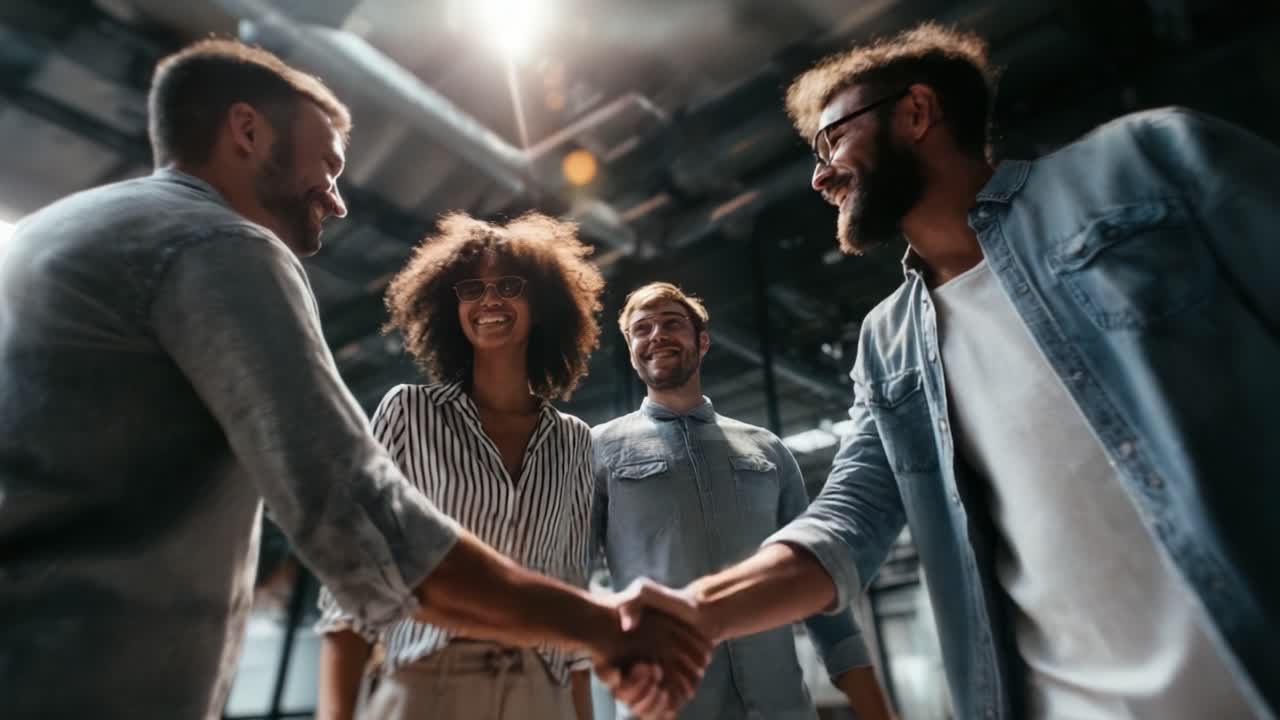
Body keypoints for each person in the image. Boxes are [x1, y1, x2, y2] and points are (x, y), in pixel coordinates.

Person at [0, 39, 707, 720]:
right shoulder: (220, 242)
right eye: (327, 165)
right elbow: (351, 511)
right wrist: (605, 624)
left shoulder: (50, 234)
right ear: (246, 130)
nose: (336, 199)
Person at [604, 22, 1279, 720]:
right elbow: (848, 520)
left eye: (832, 139)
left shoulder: (1146, 164)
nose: (820, 173)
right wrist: (695, 612)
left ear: (916, 113)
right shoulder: (889, 341)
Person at [315, 212, 605, 720]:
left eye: (509, 286)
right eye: (472, 288)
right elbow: (356, 571)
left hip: (542, 694)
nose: (489, 299)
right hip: (429, 685)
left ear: (540, 305)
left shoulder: (575, 442)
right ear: (451, 307)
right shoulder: (408, 412)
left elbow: (572, 590)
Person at [591, 282, 896, 720]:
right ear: (632, 350)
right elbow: (577, 586)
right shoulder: (597, 450)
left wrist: (876, 711)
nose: (656, 335)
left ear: (702, 341)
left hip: (782, 708)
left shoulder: (768, 450)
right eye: (642, 329)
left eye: (671, 323)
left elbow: (819, 580)